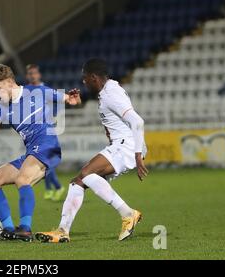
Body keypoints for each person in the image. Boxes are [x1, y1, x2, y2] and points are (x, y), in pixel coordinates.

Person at [35, 58, 148, 243]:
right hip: (120, 145)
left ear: (94, 77)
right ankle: (63, 230)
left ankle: (128, 214)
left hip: (126, 145)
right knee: (78, 181)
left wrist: (137, 154)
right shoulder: (108, 91)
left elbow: (137, 121)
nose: (83, 82)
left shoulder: (111, 93)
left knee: (87, 174)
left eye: (85, 78)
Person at [0, 64, 81, 242]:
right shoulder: (0, 108)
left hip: (48, 146)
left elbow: (70, 99)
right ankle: (10, 229)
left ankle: (25, 229)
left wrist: (73, 99)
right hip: (31, 152)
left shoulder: (37, 91)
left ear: (10, 82)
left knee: (22, 179)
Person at [25, 64, 66, 201]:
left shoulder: (45, 90)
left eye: (34, 73)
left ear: (39, 75)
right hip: (33, 130)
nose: (32, 76)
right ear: (27, 76)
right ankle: (50, 189)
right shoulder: (27, 91)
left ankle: (57, 187)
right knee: (41, 161)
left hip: (46, 129)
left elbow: (59, 103)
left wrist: (54, 117)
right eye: (30, 73)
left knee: (43, 161)